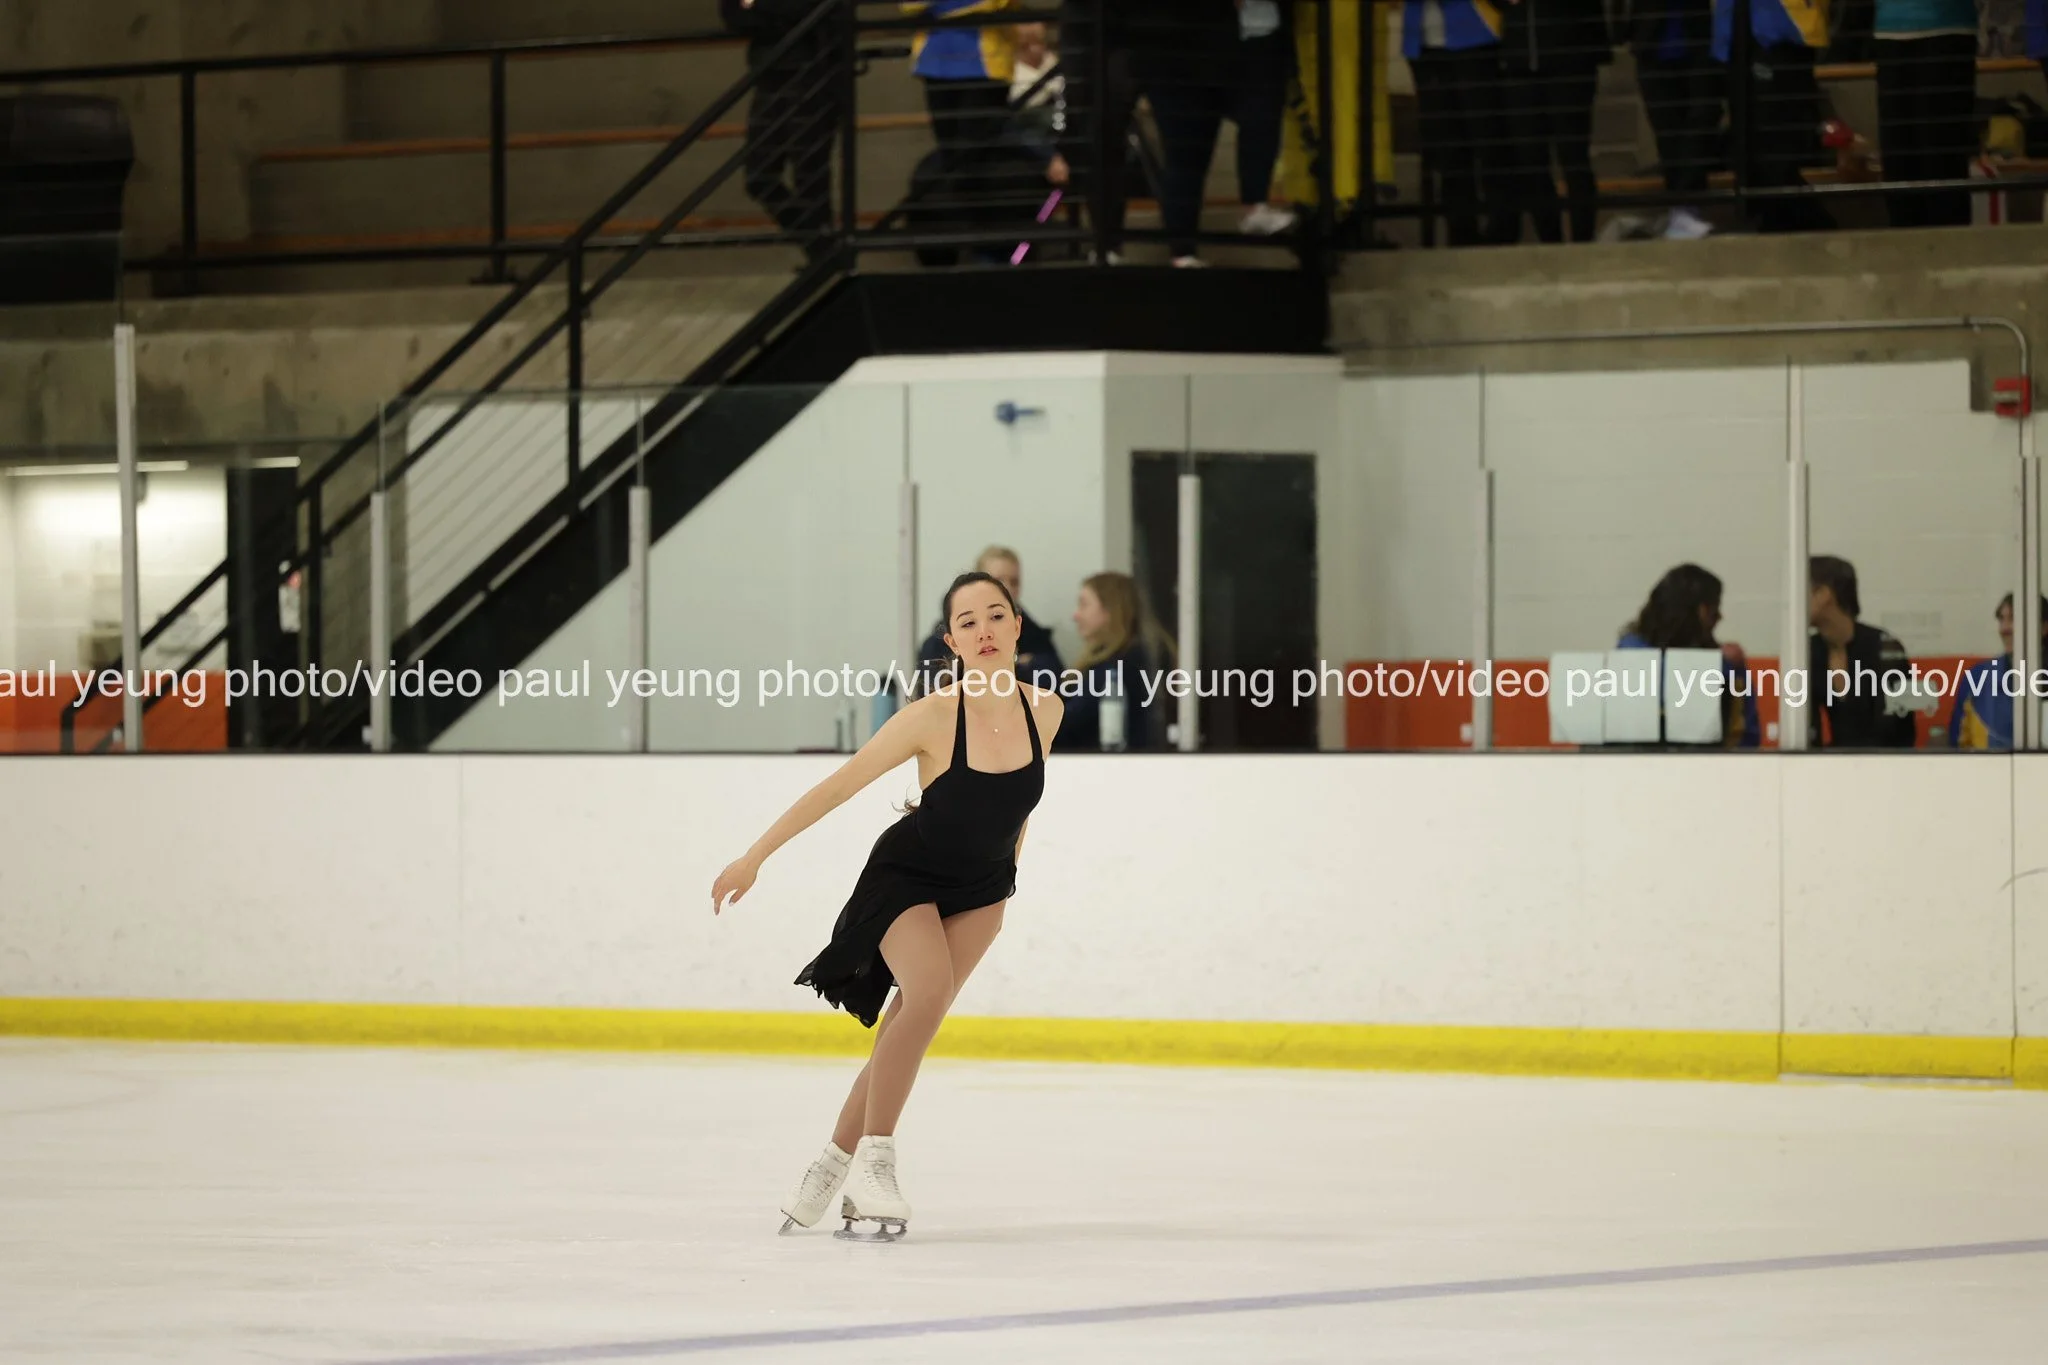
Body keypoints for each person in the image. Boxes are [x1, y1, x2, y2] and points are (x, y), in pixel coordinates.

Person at [711, 570, 1064, 1240]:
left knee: (910, 1021)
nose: (985, 631)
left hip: (985, 889)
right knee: (924, 995)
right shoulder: (930, 716)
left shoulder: (1046, 710)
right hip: (907, 878)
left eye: (997, 615)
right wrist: (754, 856)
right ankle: (877, 1165)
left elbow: (1018, 807)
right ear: (951, 641)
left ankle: (828, 1167)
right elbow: (838, 786)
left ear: (1018, 625)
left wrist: (1009, 873)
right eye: (967, 622)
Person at [721, 0, 836, 262]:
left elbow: (809, 10)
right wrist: (774, 14)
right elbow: (733, 17)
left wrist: (757, 5)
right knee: (759, 177)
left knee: (810, 174)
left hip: (814, 73)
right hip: (769, 75)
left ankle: (823, 255)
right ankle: (821, 248)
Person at [1496, 0, 1613, 244]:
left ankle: (1583, 243)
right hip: (1518, 62)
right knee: (1531, 161)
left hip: (1571, 61)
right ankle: (1550, 243)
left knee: (1574, 157)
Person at [1617, 563, 1760, 747]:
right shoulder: (1634, 650)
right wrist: (1721, 664)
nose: (1719, 616)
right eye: (1713, 607)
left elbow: (1748, 735)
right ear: (1696, 610)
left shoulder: (1722, 660)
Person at [1872, 0, 1979, 228]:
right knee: (1897, 160)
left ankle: (1948, 246)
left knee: (1941, 159)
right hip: (1889, 31)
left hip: (1946, 29)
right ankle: (1906, 245)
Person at [1629, 0, 1722, 239]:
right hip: (1653, 46)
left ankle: (1687, 208)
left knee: (1701, 120)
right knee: (1667, 132)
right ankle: (1681, 209)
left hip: (1698, 43)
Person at [914, 547, 1065, 694]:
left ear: (1017, 627)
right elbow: (930, 694)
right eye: (998, 581)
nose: (1008, 588)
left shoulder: (1034, 635)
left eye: (1014, 582)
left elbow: (1054, 682)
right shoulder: (937, 645)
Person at [1056, 570, 1176, 751]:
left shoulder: (1119, 667)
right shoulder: (1137, 657)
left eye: (1084, 605)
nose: (1076, 615)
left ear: (1110, 609)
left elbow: (1067, 723)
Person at [1806, 554, 1917, 748]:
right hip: (1838, 761)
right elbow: (1807, 731)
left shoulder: (1887, 647)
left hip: (1889, 760)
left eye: (1802, 593)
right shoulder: (1810, 651)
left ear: (1823, 594)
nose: (1794, 604)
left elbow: (1900, 728)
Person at [1948, 593, 2047, 750]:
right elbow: (1957, 747)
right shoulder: (1977, 678)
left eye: (2014, 619)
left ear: (2043, 627)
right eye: (2001, 619)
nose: (2004, 628)